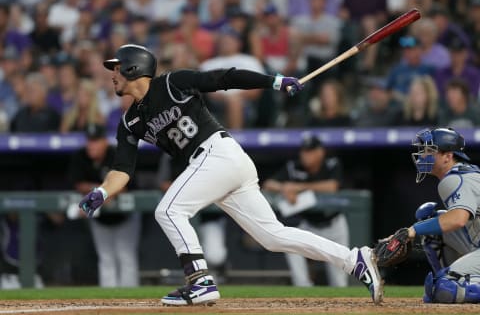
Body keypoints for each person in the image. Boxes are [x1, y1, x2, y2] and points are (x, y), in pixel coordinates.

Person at [78, 44, 383, 306]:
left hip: (218, 154)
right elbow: (121, 169)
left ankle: (199, 281)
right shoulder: (130, 122)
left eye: (117, 68)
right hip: (215, 167)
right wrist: (103, 192)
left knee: (168, 211)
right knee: (273, 237)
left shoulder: (172, 83)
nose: (113, 74)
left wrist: (274, 81)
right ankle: (354, 259)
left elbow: (225, 78)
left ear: (134, 67)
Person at [392, 127, 480, 303]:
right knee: (431, 222)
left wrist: (413, 230)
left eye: (429, 151)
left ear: (448, 156)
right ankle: (454, 277)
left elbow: (458, 219)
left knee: (446, 289)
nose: (423, 155)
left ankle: (455, 280)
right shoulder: (464, 173)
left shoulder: (454, 179)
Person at [263, 135, 349, 287]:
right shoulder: (294, 167)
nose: (305, 155)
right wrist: (284, 188)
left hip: (334, 226)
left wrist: (298, 187)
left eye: (310, 151)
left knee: (339, 281)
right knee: (290, 244)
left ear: (320, 152)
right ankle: (303, 289)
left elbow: (332, 187)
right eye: (303, 151)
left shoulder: (331, 164)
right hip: (309, 226)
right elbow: (268, 184)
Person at [69, 123, 141, 287]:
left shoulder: (117, 155)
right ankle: (109, 301)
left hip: (125, 216)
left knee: (126, 255)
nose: (91, 145)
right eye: (89, 141)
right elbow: (78, 183)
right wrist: (104, 190)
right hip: (100, 218)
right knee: (106, 257)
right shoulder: (81, 156)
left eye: (96, 141)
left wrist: (105, 191)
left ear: (104, 141)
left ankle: (130, 302)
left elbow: (126, 186)